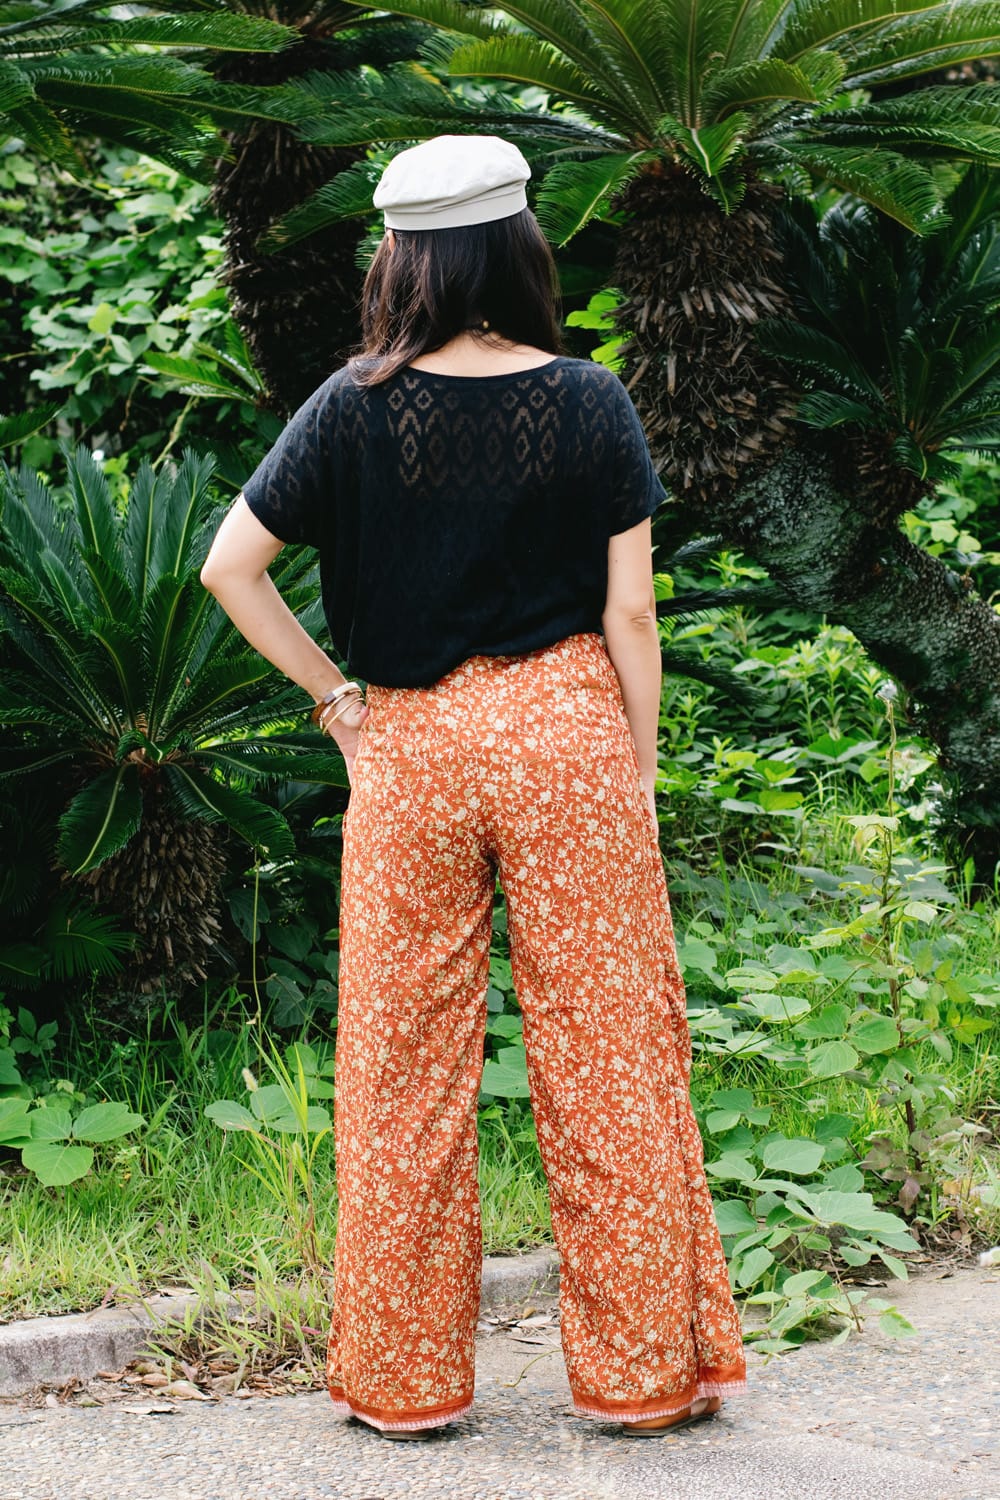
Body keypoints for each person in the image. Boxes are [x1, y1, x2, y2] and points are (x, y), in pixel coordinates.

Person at [201, 133, 746, 1440]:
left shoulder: (348, 406)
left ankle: (402, 1390)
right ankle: (639, 1384)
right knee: (609, 1050)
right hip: (566, 735)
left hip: (411, 749)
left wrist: (337, 701)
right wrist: (636, 765)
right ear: (520, 250)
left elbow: (230, 568)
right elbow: (630, 615)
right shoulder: (590, 400)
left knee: (401, 1065)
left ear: (399, 261)